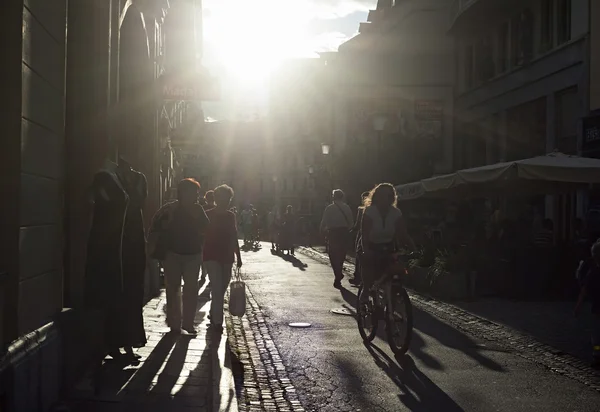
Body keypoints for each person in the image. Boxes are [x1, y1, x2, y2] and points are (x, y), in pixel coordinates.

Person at [149, 178, 209, 335]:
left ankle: (188, 324)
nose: (197, 196)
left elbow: (206, 228)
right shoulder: (170, 209)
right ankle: (175, 324)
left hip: (193, 255)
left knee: (191, 290)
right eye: (194, 193)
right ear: (184, 193)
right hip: (172, 255)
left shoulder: (198, 210)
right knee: (172, 289)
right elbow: (156, 227)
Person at [360, 183, 416, 302]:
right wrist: (366, 249)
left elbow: (403, 234)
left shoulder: (396, 213)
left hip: (388, 246)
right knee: (368, 262)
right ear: (377, 197)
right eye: (383, 195)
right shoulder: (370, 211)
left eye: (389, 195)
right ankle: (365, 290)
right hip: (371, 245)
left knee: (396, 268)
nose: (386, 198)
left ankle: (392, 294)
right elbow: (364, 233)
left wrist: (414, 250)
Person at [203, 185, 243, 332]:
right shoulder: (207, 214)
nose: (225, 201)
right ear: (217, 198)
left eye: (227, 199)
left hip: (227, 257)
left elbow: (234, 236)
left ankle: (214, 313)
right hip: (211, 255)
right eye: (222, 198)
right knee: (217, 287)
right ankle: (217, 322)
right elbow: (201, 236)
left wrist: (238, 256)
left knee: (221, 288)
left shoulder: (230, 216)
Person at [320, 189, 354, 288]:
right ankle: (339, 273)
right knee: (341, 254)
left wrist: (322, 231)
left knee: (333, 255)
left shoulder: (329, 208)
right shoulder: (347, 207)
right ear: (342, 197)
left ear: (333, 197)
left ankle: (338, 274)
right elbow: (351, 223)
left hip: (333, 234)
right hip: (344, 233)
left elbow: (324, 221)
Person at [574, 241, 600, 369]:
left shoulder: (593, 272)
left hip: (597, 308)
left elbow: (584, 290)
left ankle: (597, 355)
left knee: (596, 335)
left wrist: (578, 305)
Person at [349, 191, 370, 286]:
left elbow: (358, 224)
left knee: (359, 256)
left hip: (362, 235)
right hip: (373, 236)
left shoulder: (361, 209)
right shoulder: (375, 209)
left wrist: (351, 231)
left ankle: (358, 277)